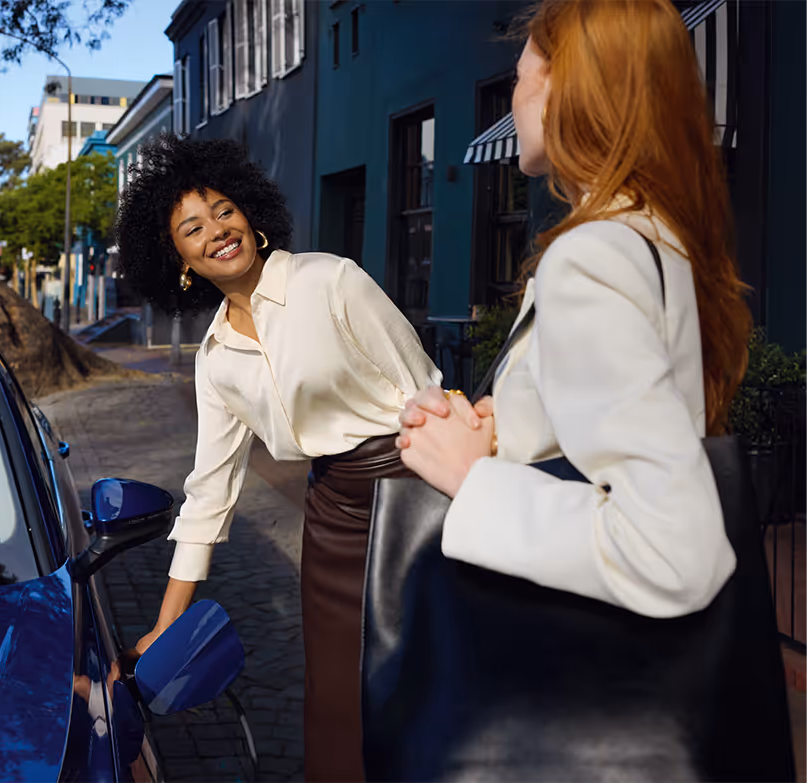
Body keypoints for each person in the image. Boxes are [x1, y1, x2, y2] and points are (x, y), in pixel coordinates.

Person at [398, 0, 751, 619]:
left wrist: (470, 476)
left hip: (572, 657)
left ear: (563, 84)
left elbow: (671, 552)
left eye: (519, 77)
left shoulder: (592, 256)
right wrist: (505, 429)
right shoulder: (653, 235)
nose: (513, 100)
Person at [115, 133, 440, 781]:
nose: (217, 231)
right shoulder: (214, 359)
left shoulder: (331, 280)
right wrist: (164, 624)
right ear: (178, 259)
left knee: (431, 679)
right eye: (193, 227)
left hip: (418, 493)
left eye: (224, 211)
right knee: (337, 698)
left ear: (252, 215)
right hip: (332, 515)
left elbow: (426, 392)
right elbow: (209, 492)